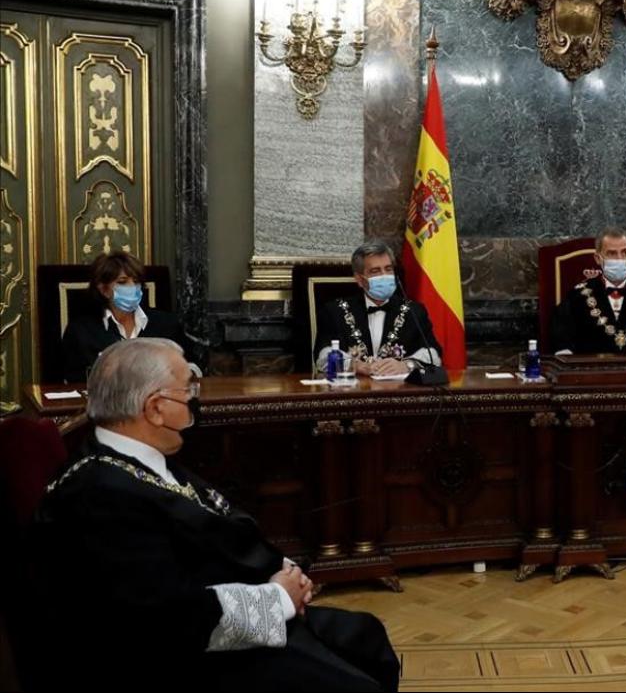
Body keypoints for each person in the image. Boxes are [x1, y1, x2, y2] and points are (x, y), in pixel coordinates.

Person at [30, 338, 400, 690]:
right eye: (188, 391)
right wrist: (278, 598)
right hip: (169, 661)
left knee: (366, 639)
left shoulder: (135, 455)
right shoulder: (96, 497)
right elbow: (166, 618)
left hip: (227, 611)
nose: (194, 400)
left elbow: (219, 526)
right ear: (155, 408)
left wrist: (285, 575)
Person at [313, 239, 441, 377]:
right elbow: (323, 356)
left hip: (399, 391)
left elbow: (433, 354)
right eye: (375, 271)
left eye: (388, 269)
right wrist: (355, 365)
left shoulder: (414, 311)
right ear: (359, 279)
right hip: (352, 390)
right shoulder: (334, 311)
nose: (384, 276)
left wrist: (406, 365)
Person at [60, 252, 190, 382]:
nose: (132, 287)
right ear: (104, 290)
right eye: (122, 282)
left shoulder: (167, 324)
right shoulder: (81, 331)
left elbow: (190, 367)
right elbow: (73, 379)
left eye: (136, 281)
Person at [551, 227, 626, 354]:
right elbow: (562, 340)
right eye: (612, 253)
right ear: (598, 258)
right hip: (592, 371)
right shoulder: (578, 297)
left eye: (624, 252)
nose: (619, 258)